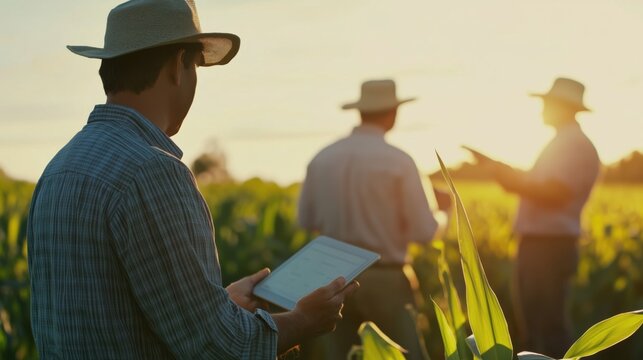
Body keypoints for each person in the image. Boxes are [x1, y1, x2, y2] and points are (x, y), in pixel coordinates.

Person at [26, 1, 357, 358]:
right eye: (197, 65)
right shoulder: (153, 172)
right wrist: (304, 321)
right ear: (176, 66)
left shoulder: (59, 167)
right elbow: (218, 348)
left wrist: (219, 302)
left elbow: (108, 313)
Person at [298, 79, 450, 360]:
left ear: (360, 112)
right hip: (387, 277)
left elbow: (305, 220)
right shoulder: (399, 161)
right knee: (405, 355)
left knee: (340, 355)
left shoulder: (322, 158)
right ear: (392, 114)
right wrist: (446, 213)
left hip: (333, 278)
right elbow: (424, 232)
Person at [464, 77, 600, 357]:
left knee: (547, 328)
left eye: (547, 103)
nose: (542, 108)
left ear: (563, 107)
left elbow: (555, 191)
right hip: (544, 245)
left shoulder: (572, 143)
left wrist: (502, 174)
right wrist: (499, 168)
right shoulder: (565, 141)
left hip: (548, 246)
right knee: (538, 326)